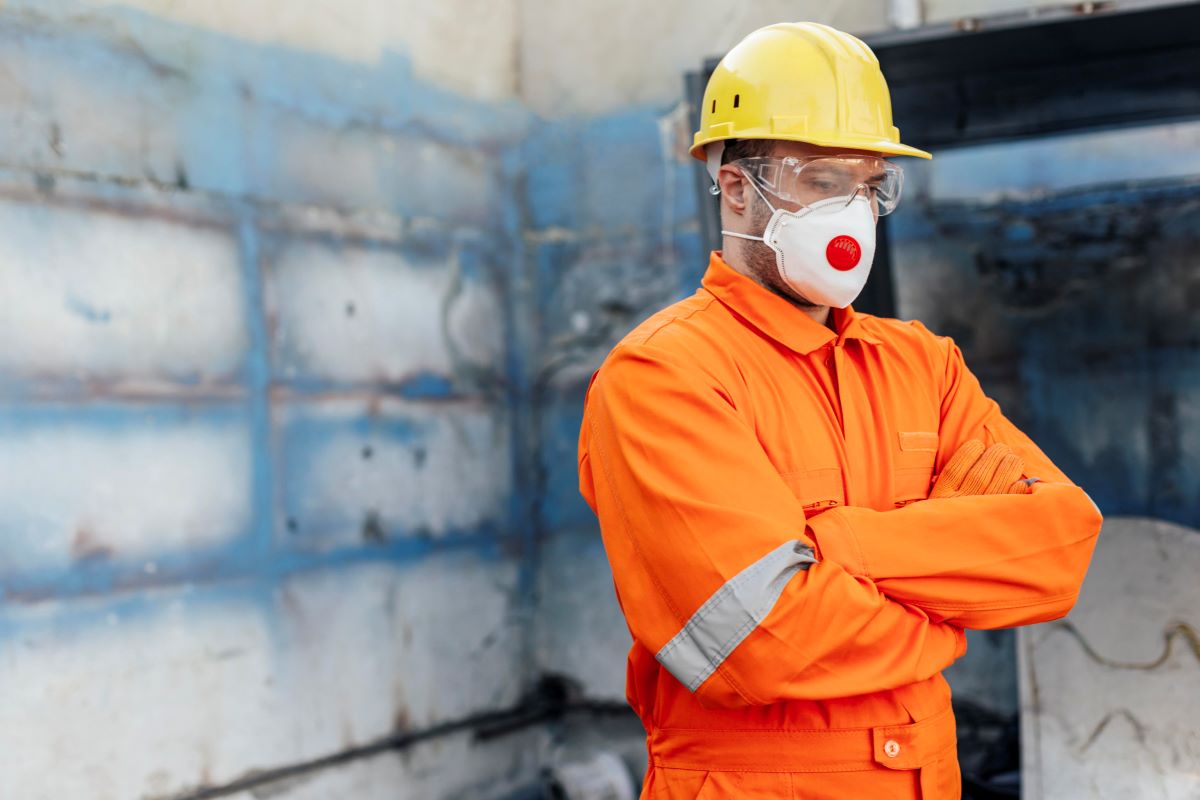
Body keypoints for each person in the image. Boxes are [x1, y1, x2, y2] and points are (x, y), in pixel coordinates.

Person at [577, 21, 1102, 799]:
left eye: (870, 183)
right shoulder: (663, 376)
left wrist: (841, 547)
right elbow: (762, 641)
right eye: (822, 180)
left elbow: (1056, 550)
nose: (852, 211)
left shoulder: (923, 363)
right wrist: (950, 603)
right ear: (732, 185)